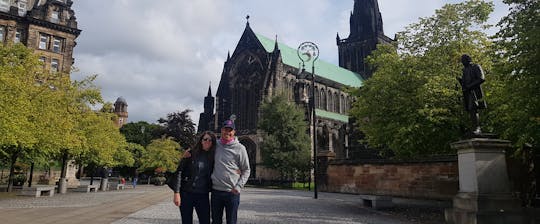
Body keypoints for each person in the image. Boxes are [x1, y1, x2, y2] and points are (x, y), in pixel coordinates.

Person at [211, 120, 250, 224]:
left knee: (231, 222)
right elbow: (202, 149)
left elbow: (246, 169)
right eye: (225, 129)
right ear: (221, 130)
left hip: (232, 193)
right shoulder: (215, 145)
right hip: (216, 191)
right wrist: (189, 154)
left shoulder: (240, 148)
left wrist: (238, 186)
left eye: (230, 130)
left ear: (234, 132)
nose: (227, 132)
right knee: (215, 221)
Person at [173, 131, 216, 224]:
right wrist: (176, 193)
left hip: (202, 195)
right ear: (201, 140)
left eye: (210, 140)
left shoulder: (213, 156)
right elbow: (179, 172)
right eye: (205, 139)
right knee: (186, 221)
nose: (208, 141)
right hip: (186, 193)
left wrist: (236, 170)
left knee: (205, 221)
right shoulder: (190, 153)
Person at [457, 54, 487, 135]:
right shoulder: (465, 70)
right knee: (470, 110)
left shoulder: (476, 66)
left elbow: (481, 78)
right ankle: (474, 127)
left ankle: (477, 128)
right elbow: (465, 83)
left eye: (463, 60)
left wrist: (469, 86)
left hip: (475, 91)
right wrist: (460, 81)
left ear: (468, 60)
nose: (462, 62)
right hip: (468, 92)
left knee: (473, 108)